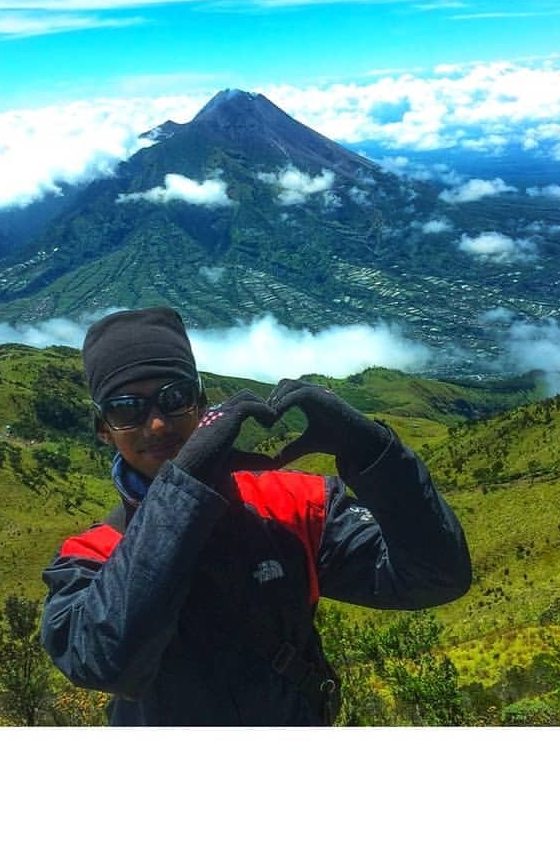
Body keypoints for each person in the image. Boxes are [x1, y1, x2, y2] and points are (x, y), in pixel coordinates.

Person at [40, 306, 471, 725]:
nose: (156, 425)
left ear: (201, 403)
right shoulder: (90, 557)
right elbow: (101, 660)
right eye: (126, 409)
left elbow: (435, 577)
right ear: (102, 428)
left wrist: (377, 455)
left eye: (175, 398)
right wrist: (185, 486)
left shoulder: (292, 504)